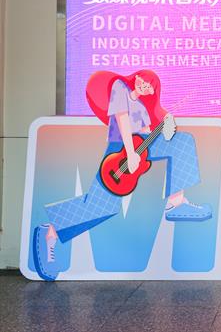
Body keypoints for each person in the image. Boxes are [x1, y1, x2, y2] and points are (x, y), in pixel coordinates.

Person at [32, 70, 211, 281]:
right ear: (137, 77)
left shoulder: (143, 106)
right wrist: (131, 152)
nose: (145, 87)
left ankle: (177, 203)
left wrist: (167, 128)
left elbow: (146, 132)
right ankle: (50, 233)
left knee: (182, 142)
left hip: (139, 146)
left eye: (150, 87)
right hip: (120, 149)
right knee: (101, 206)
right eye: (144, 82)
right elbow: (122, 119)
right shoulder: (120, 87)